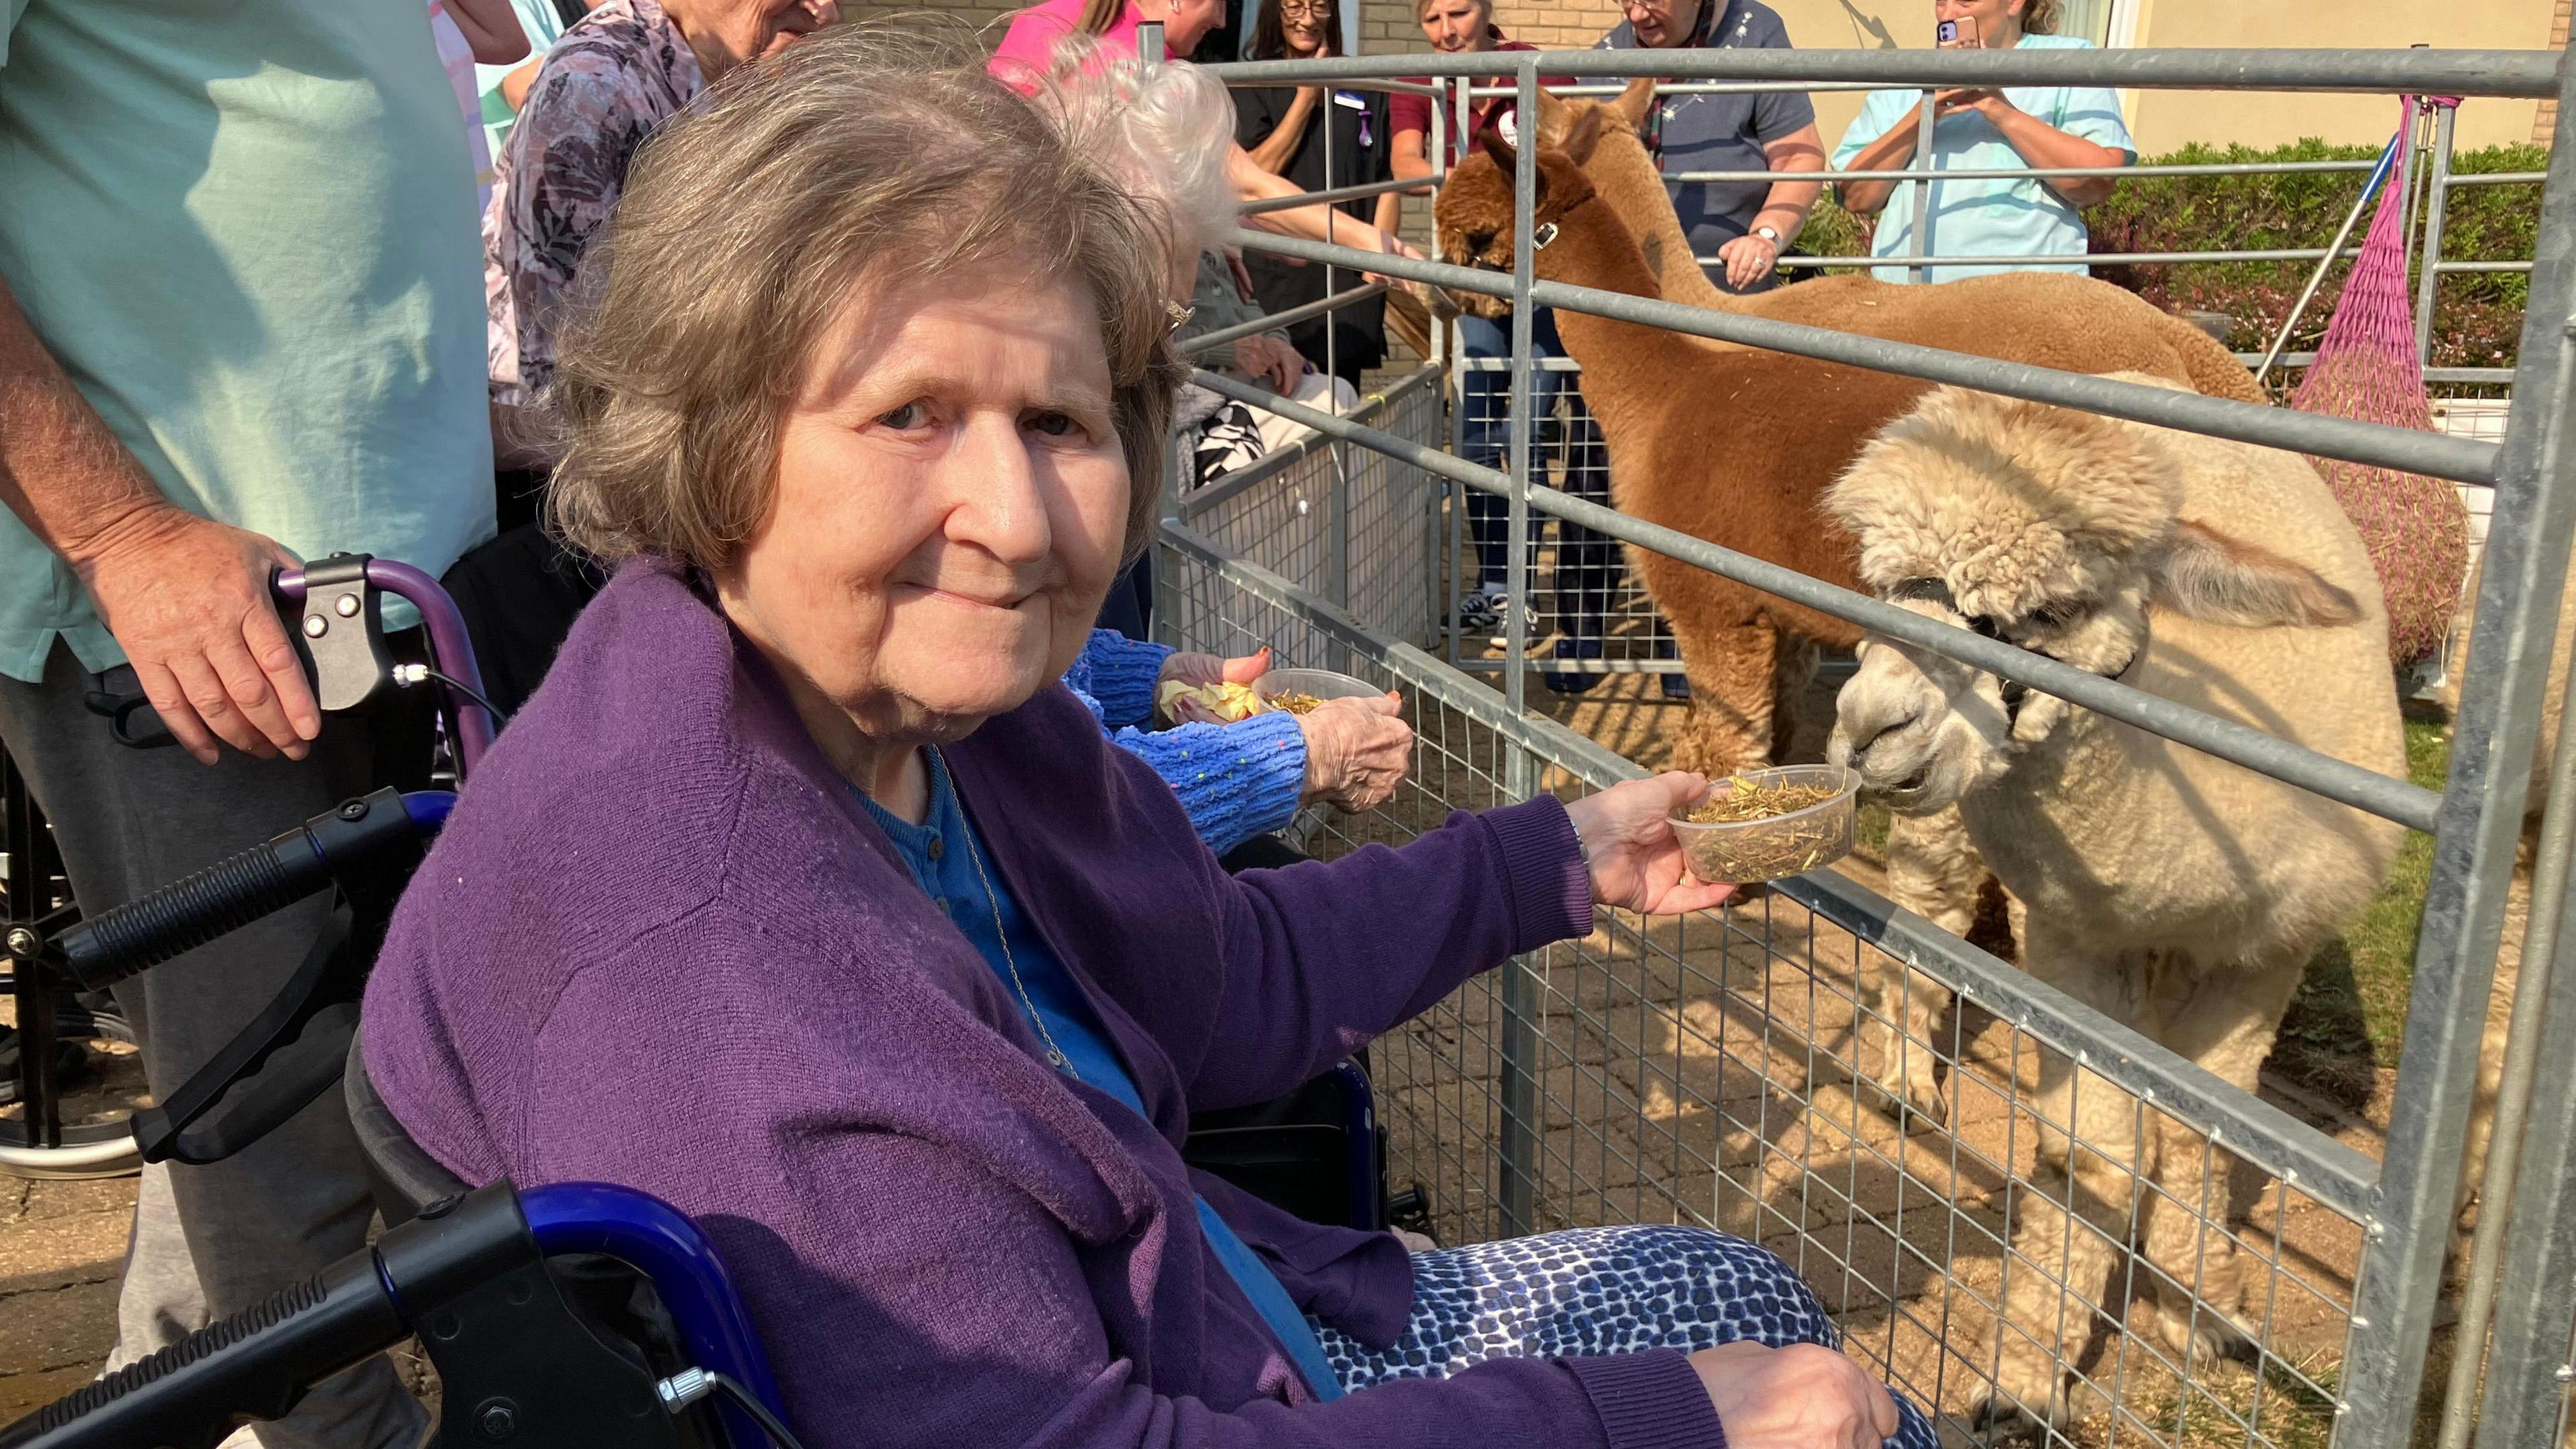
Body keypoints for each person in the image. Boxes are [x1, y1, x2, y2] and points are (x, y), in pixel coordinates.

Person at [362, 28, 1936, 1449]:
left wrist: (1557, 857)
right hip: (1165, 1383)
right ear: (711, 438)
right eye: (908, 412)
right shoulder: (712, 967)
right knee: (1778, 1377)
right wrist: (1644, 1420)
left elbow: (1212, 971)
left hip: (1200, 1298)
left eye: (1059, 421)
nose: (1011, 517)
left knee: (1742, 1306)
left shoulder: (935, 719)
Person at [0, 3, 493, 1446]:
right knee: (275, 1147)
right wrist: (120, 531)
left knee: (275, 1113)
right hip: (183, 614)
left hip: (367, 597)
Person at [484, 0, 840, 521]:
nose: (824, 7)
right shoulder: (594, 91)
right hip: (589, 495)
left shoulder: (761, 81)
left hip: (711, 443)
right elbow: (565, 381)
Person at [1830, 0, 2131, 284]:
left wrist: (1998, 109)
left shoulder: (2068, 60)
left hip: (2028, 303)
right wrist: (1924, 113)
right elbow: (1857, 197)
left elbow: (2098, 181)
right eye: (1940, 2)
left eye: (1965, 2)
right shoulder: (1904, 75)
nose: (1947, 15)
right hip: (1910, 304)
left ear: (2014, 4)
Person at [1597, 0, 1825, 297]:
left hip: (1730, 298)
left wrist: (1765, 236)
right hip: (1631, 295)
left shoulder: (1755, 33)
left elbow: (1799, 156)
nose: (1637, 14)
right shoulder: (1604, 60)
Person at [1231, 0, 1397, 386]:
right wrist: (1306, 99)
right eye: (1294, 7)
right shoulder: (1250, 80)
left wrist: (1381, 258)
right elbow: (1252, 175)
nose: (1307, 19)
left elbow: (1388, 180)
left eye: (1319, 8)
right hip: (1280, 272)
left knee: (1343, 397)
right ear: (1274, 12)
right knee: (1283, 390)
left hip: (1348, 274)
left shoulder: (1362, 81)